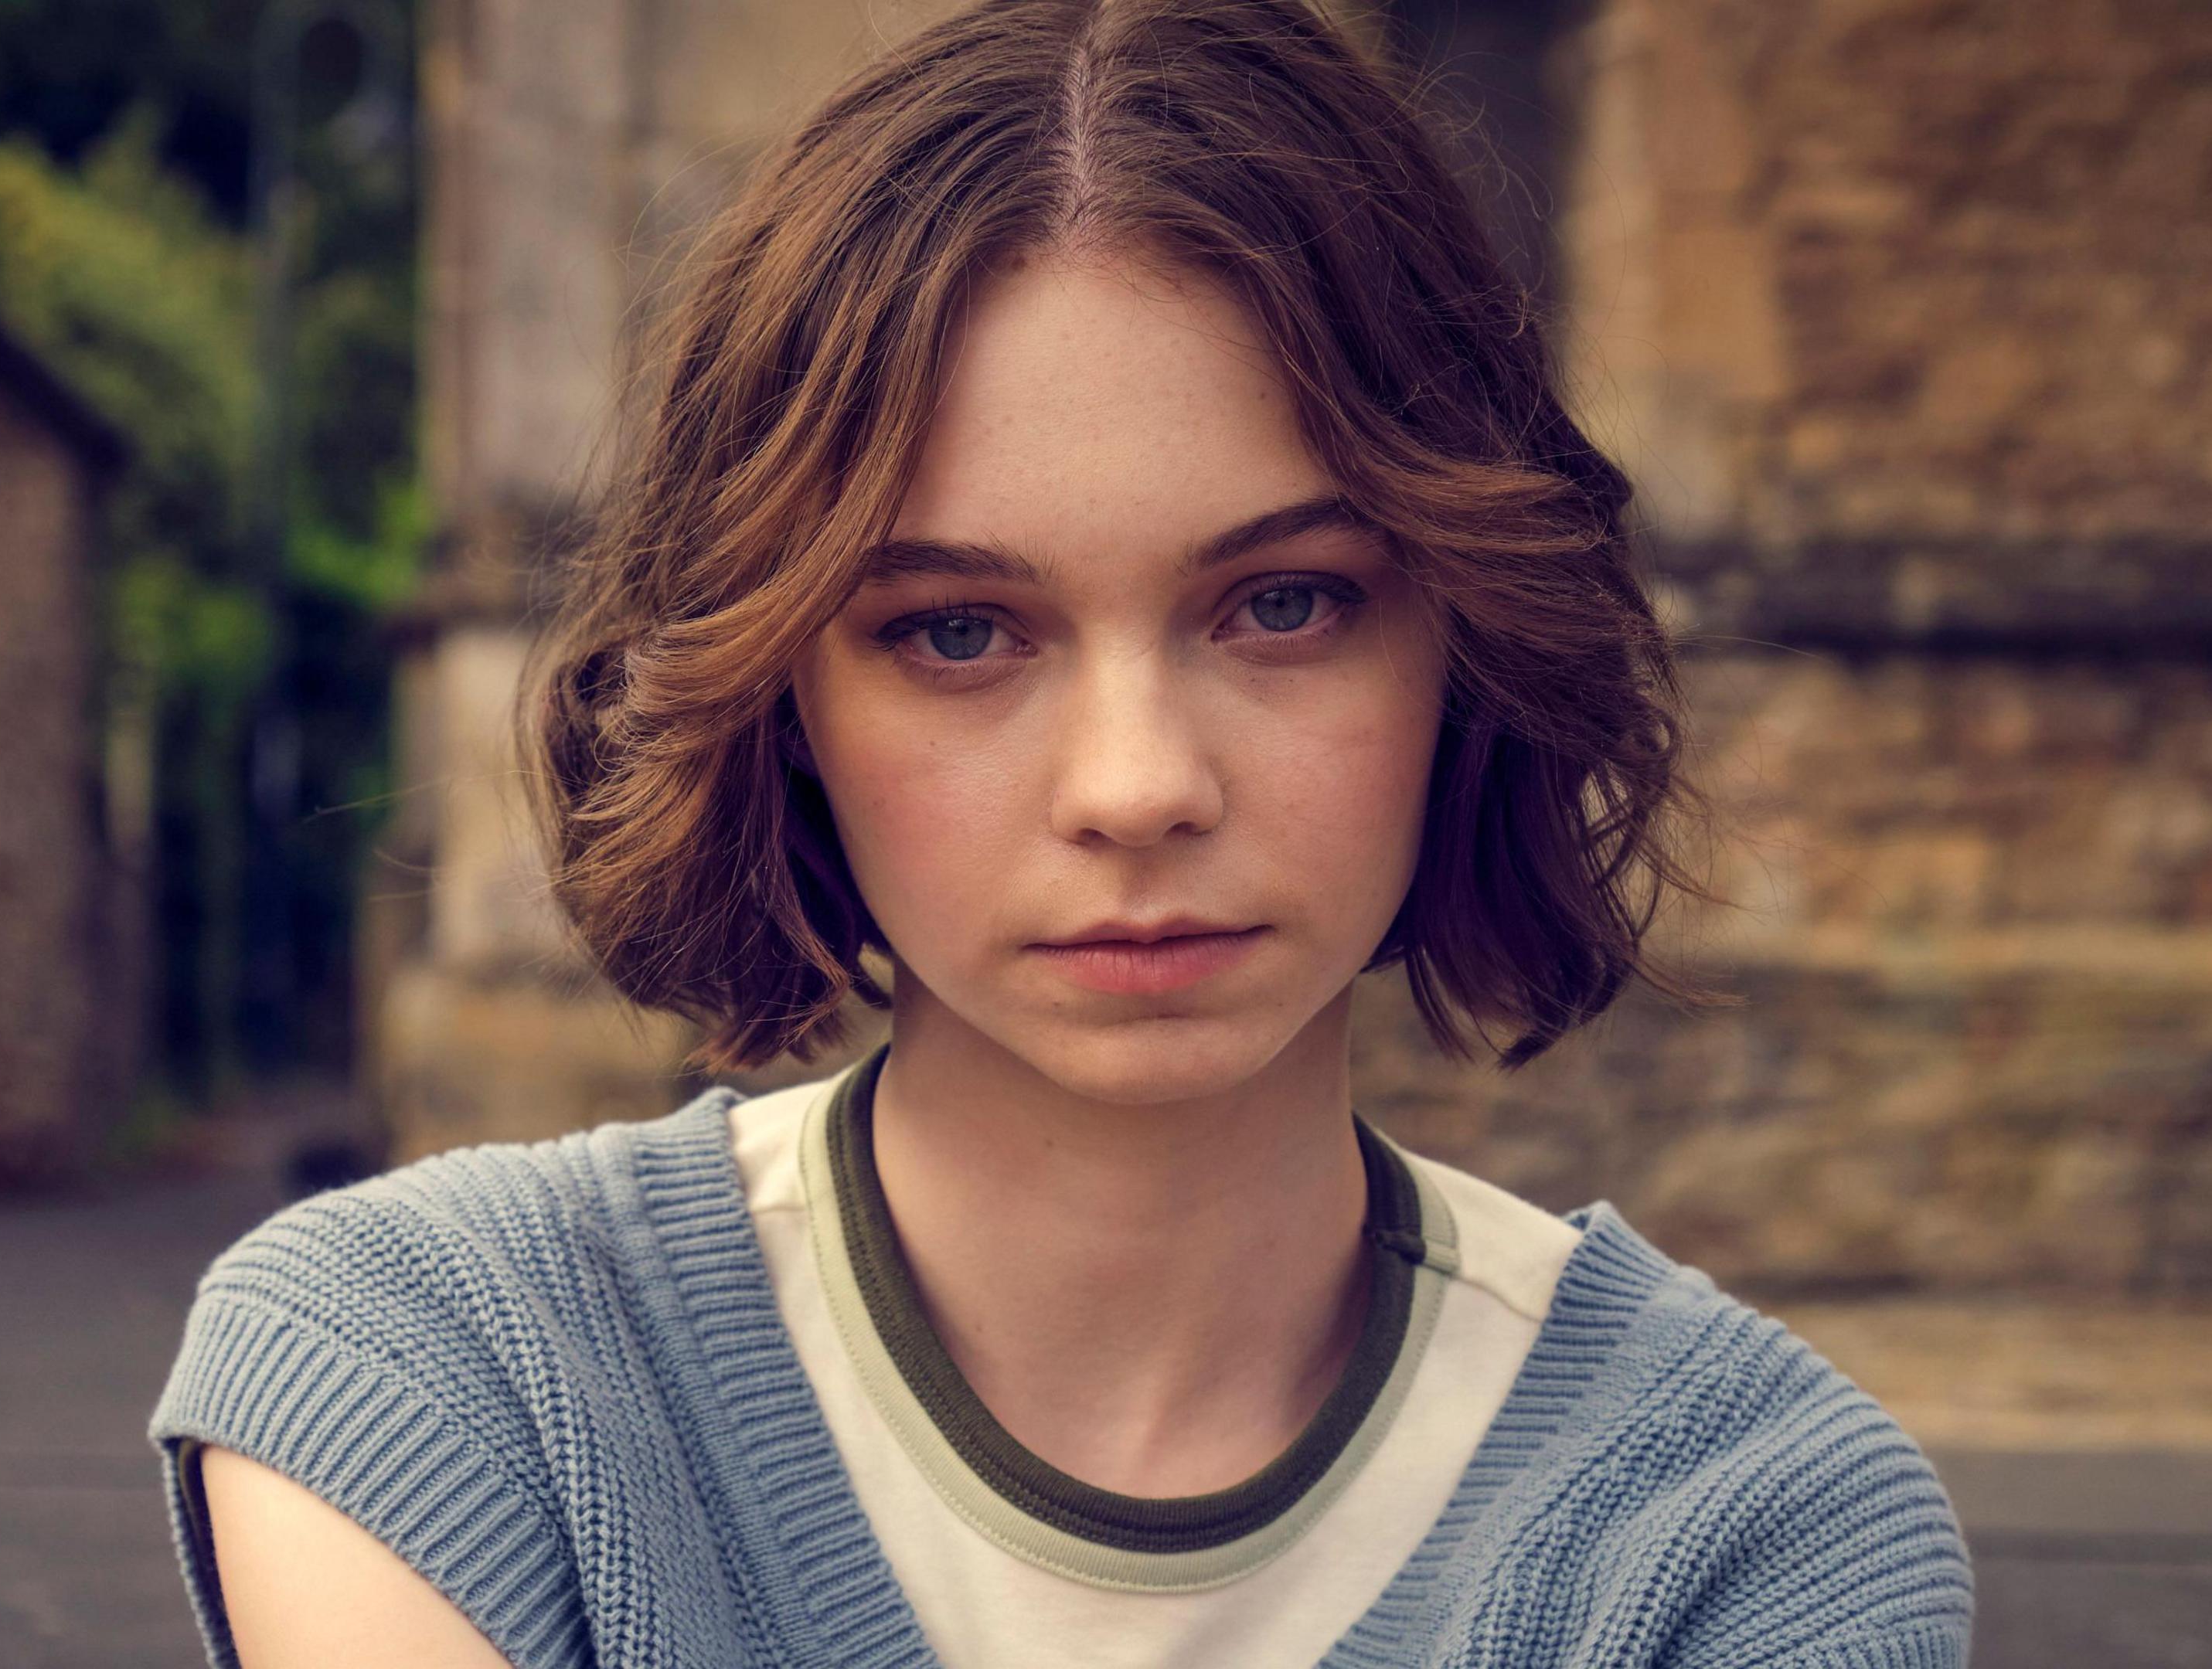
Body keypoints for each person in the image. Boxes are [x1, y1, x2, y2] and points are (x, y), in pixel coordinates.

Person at [148, 0, 1976, 1664]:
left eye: (1285, 605)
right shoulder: (436, 1371)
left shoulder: (1759, 1531)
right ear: (782, 697)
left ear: (1472, 639)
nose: (1133, 785)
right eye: (956, 631)